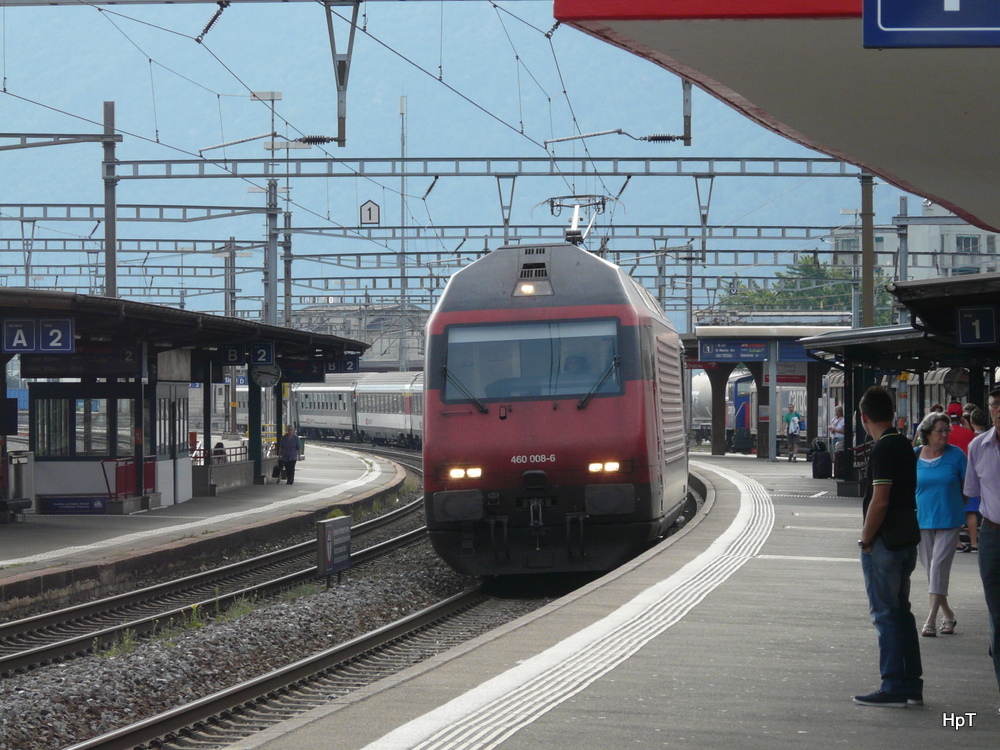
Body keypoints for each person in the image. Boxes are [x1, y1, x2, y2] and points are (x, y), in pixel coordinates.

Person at [855, 386, 923, 708]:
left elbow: (879, 501)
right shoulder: (905, 445)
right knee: (901, 612)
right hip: (907, 538)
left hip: (885, 543)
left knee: (884, 614)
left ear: (864, 416)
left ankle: (892, 684)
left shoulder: (882, 449)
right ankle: (911, 683)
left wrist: (865, 538)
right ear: (893, 412)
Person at [913, 412, 966, 637]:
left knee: (937, 567)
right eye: (940, 431)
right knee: (931, 571)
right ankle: (949, 615)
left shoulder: (957, 456)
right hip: (922, 519)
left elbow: (967, 487)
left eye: (947, 431)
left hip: (949, 519)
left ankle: (931, 619)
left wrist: (956, 506)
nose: (945, 435)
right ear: (927, 433)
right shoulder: (915, 455)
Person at [965, 387, 1000, 699]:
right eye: (995, 405)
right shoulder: (978, 447)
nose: (999, 409)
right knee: (997, 613)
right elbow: (972, 492)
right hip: (992, 535)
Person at [961, 407, 990, 553]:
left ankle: (969, 543)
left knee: (970, 511)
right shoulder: (990, 437)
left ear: (971, 421)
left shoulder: (973, 439)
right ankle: (974, 543)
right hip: (988, 482)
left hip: (971, 477)